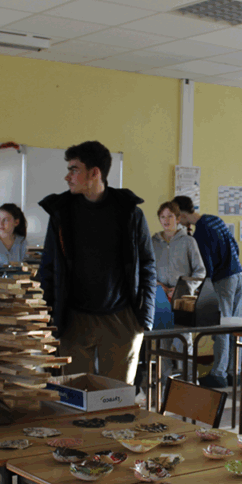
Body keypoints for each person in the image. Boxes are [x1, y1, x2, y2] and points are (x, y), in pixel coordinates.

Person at [36, 140, 156, 385]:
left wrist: (145, 319)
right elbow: (48, 267)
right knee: (76, 393)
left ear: (95, 173)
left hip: (122, 319)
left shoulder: (129, 212)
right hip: (73, 319)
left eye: (74, 169)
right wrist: (45, 319)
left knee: (117, 395)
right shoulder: (61, 213)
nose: (67, 177)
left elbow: (147, 265)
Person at [174, 195, 242, 389]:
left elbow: (207, 268)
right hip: (238, 274)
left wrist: (201, 291)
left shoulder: (201, 232)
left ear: (181, 214)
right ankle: (234, 372)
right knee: (235, 327)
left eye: (177, 216)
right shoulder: (214, 219)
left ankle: (218, 374)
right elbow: (235, 246)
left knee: (221, 327)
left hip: (222, 280)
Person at [151, 201, 206, 378]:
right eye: (162, 217)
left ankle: (190, 382)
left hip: (182, 300)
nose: (166, 220)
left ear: (177, 218)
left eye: (170, 216)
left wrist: (183, 287)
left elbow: (200, 271)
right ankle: (164, 385)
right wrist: (157, 284)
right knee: (162, 344)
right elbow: (146, 270)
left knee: (184, 343)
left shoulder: (189, 241)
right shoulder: (153, 242)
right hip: (160, 299)